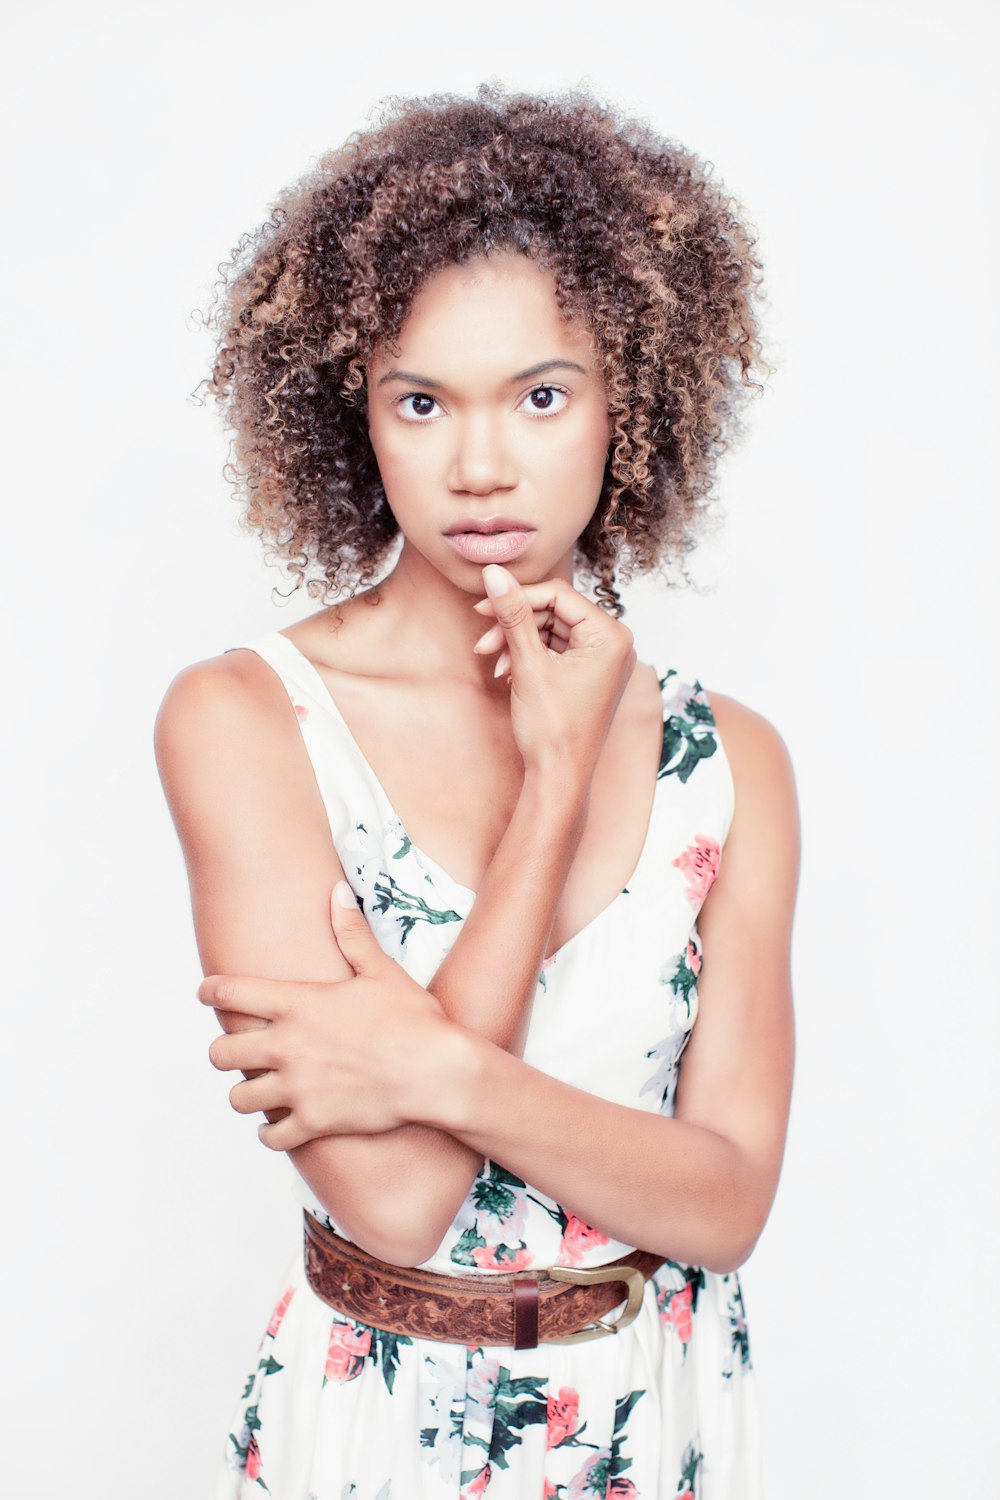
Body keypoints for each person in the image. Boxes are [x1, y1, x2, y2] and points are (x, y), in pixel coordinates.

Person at [155, 83, 798, 1500]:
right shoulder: (250, 719)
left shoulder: (728, 761)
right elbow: (399, 1201)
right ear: (357, 418)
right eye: (424, 400)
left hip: (658, 1410)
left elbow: (730, 1199)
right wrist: (550, 791)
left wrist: (435, 1068)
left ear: (634, 400)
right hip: (379, 1426)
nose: (482, 465)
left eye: (543, 395)